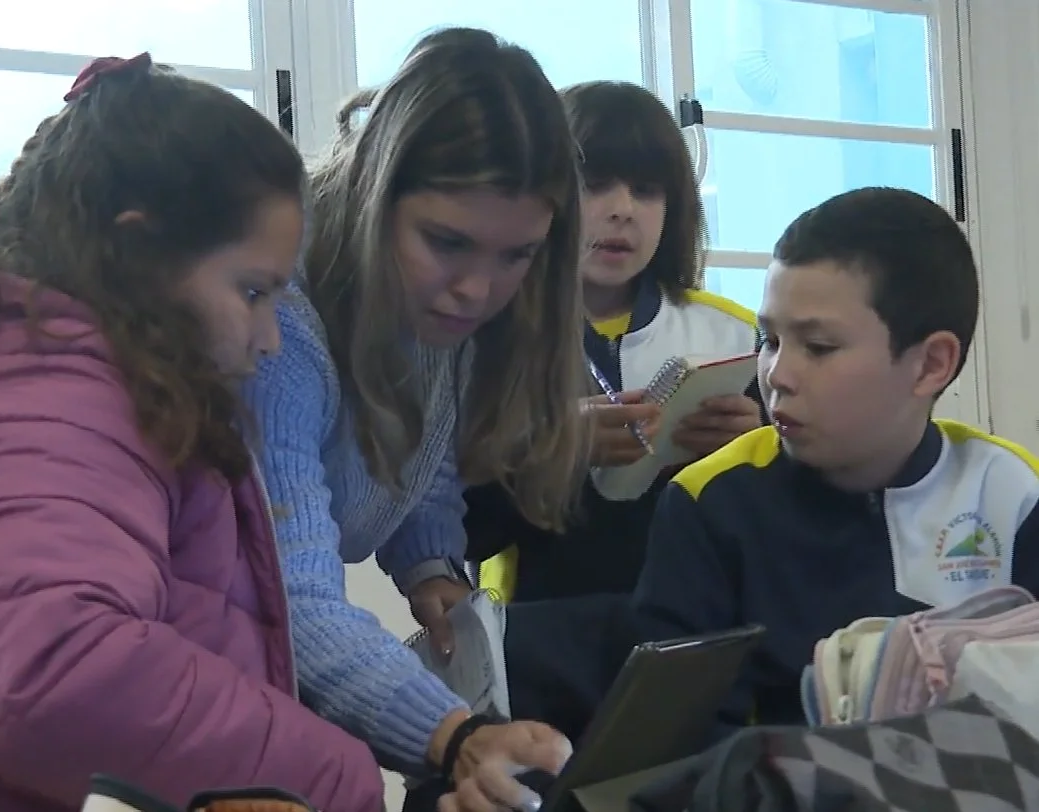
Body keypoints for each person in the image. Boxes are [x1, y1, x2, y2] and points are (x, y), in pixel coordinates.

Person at [0, 54, 385, 812]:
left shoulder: (28, 373)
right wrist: (333, 778)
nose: (267, 338)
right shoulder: (38, 387)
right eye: (252, 292)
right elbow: (51, 675)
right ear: (136, 250)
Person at [245, 26, 615, 812]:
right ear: (376, 190)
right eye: (446, 242)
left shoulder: (433, 309)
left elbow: (423, 437)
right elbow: (290, 599)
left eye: (516, 255)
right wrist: (454, 734)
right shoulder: (278, 330)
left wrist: (430, 565)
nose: (477, 290)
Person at [631, 186, 1039, 732]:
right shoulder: (709, 503)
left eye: (818, 347)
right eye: (769, 339)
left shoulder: (1009, 491)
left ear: (930, 365)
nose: (777, 375)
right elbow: (681, 753)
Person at [466, 80, 763, 604]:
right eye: (595, 183)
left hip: (700, 628)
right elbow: (456, 527)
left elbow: (784, 509)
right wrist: (546, 455)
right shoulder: (484, 332)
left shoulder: (734, 336)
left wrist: (755, 449)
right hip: (533, 635)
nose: (623, 209)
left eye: (647, 190)